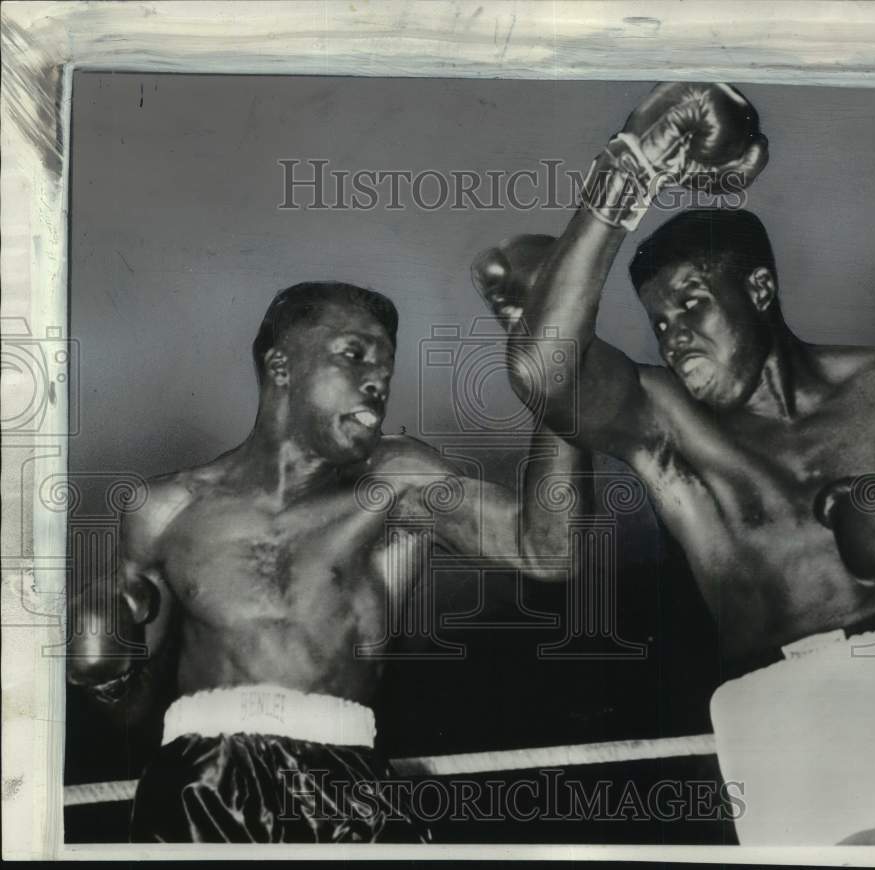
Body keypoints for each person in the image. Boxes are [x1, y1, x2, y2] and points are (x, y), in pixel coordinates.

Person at [479, 81, 875, 845]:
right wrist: (634, 163)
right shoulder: (669, 425)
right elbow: (547, 376)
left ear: (758, 289)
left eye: (691, 302)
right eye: (657, 319)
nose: (673, 333)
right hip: (757, 710)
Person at [67, 281, 590, 843]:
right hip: (197, 785)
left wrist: (555, 371)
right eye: (354, 353)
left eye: (387, 370)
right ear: (282, 366)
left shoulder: (395, 482)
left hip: (344, 790)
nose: (377, 380)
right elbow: (137, 721)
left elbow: (549, 550)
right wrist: (107, 682)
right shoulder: (165, 511)